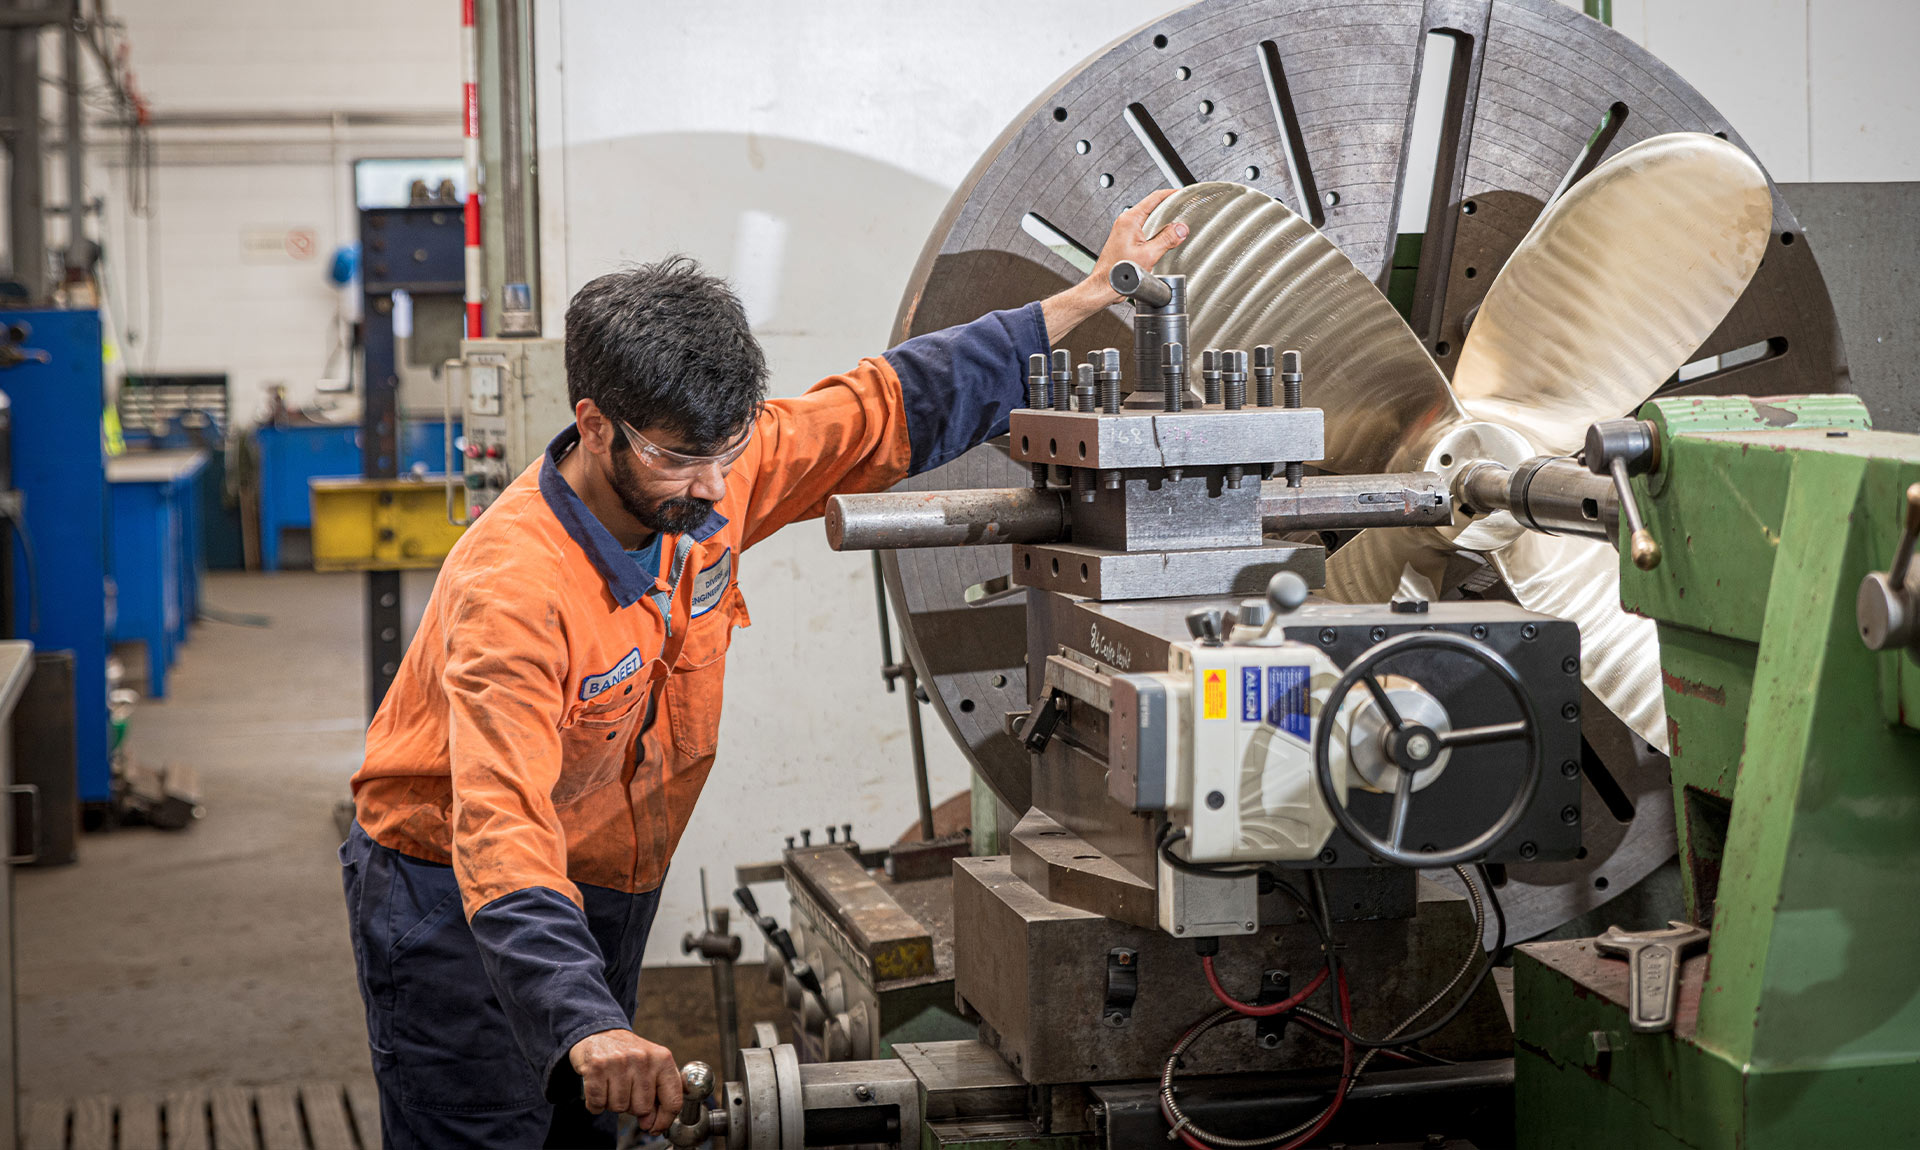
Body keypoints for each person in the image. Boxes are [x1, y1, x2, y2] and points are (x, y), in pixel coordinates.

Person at [340, 191, 1188, 1147]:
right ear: (596, 423)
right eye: (679, 460)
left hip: (604, 887)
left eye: (727, 449)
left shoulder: (709, 467)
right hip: (459, 907)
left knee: (585, 1123)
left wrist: (1082, 296)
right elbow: (500, 831)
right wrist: (586, 1021)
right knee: (491, 1130)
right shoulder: (515, 592)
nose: (711, 488)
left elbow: (885, 405)